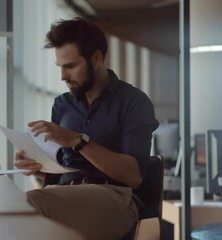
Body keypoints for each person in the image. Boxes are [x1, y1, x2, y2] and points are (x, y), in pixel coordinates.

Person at [15, 17, 158, 240]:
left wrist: (77, 141)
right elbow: (60, 168)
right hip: (66, 192)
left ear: (97, 59)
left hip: (115, 198)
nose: (63, 76)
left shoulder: (133, 102)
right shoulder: (62, 105)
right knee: (10, 207)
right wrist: (40, 168)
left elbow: (133, 176)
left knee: (28, 204)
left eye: (70, 66)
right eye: (60, 67)